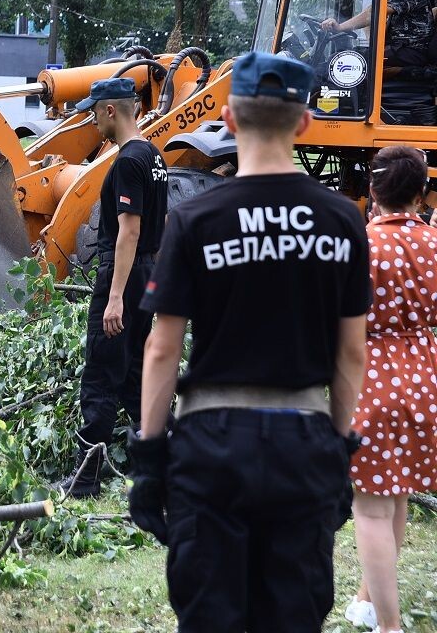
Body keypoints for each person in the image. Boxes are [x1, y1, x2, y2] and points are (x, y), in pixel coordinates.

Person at [130, 52, 370, 632]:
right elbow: (352, 353)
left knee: (209, 614)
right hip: (303, 442)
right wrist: (339, 451)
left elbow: (162, 348)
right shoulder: (342, 221)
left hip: (212, 448)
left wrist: (149, 458)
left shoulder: (197, 219)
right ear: (305, 123)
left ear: (231, 122)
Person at [57, 77, 168, 497]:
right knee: (134, 375)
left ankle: (85, 479)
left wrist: (115, 296)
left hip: (123, 277)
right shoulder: (153, 156)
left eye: (93, 110)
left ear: (110, 111)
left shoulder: (127, 162)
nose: (90, 118)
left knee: (102, 373)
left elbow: (129, 230)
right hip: (147, 274)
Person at [342, 146, 437, 633]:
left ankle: (390, 627)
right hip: (425, 379)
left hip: (372, 378)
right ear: (422, 194)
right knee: (396, 496)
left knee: (372, 508)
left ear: (373, 191)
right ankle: (367, 601)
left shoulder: (361, 247)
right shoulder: (434, 243)